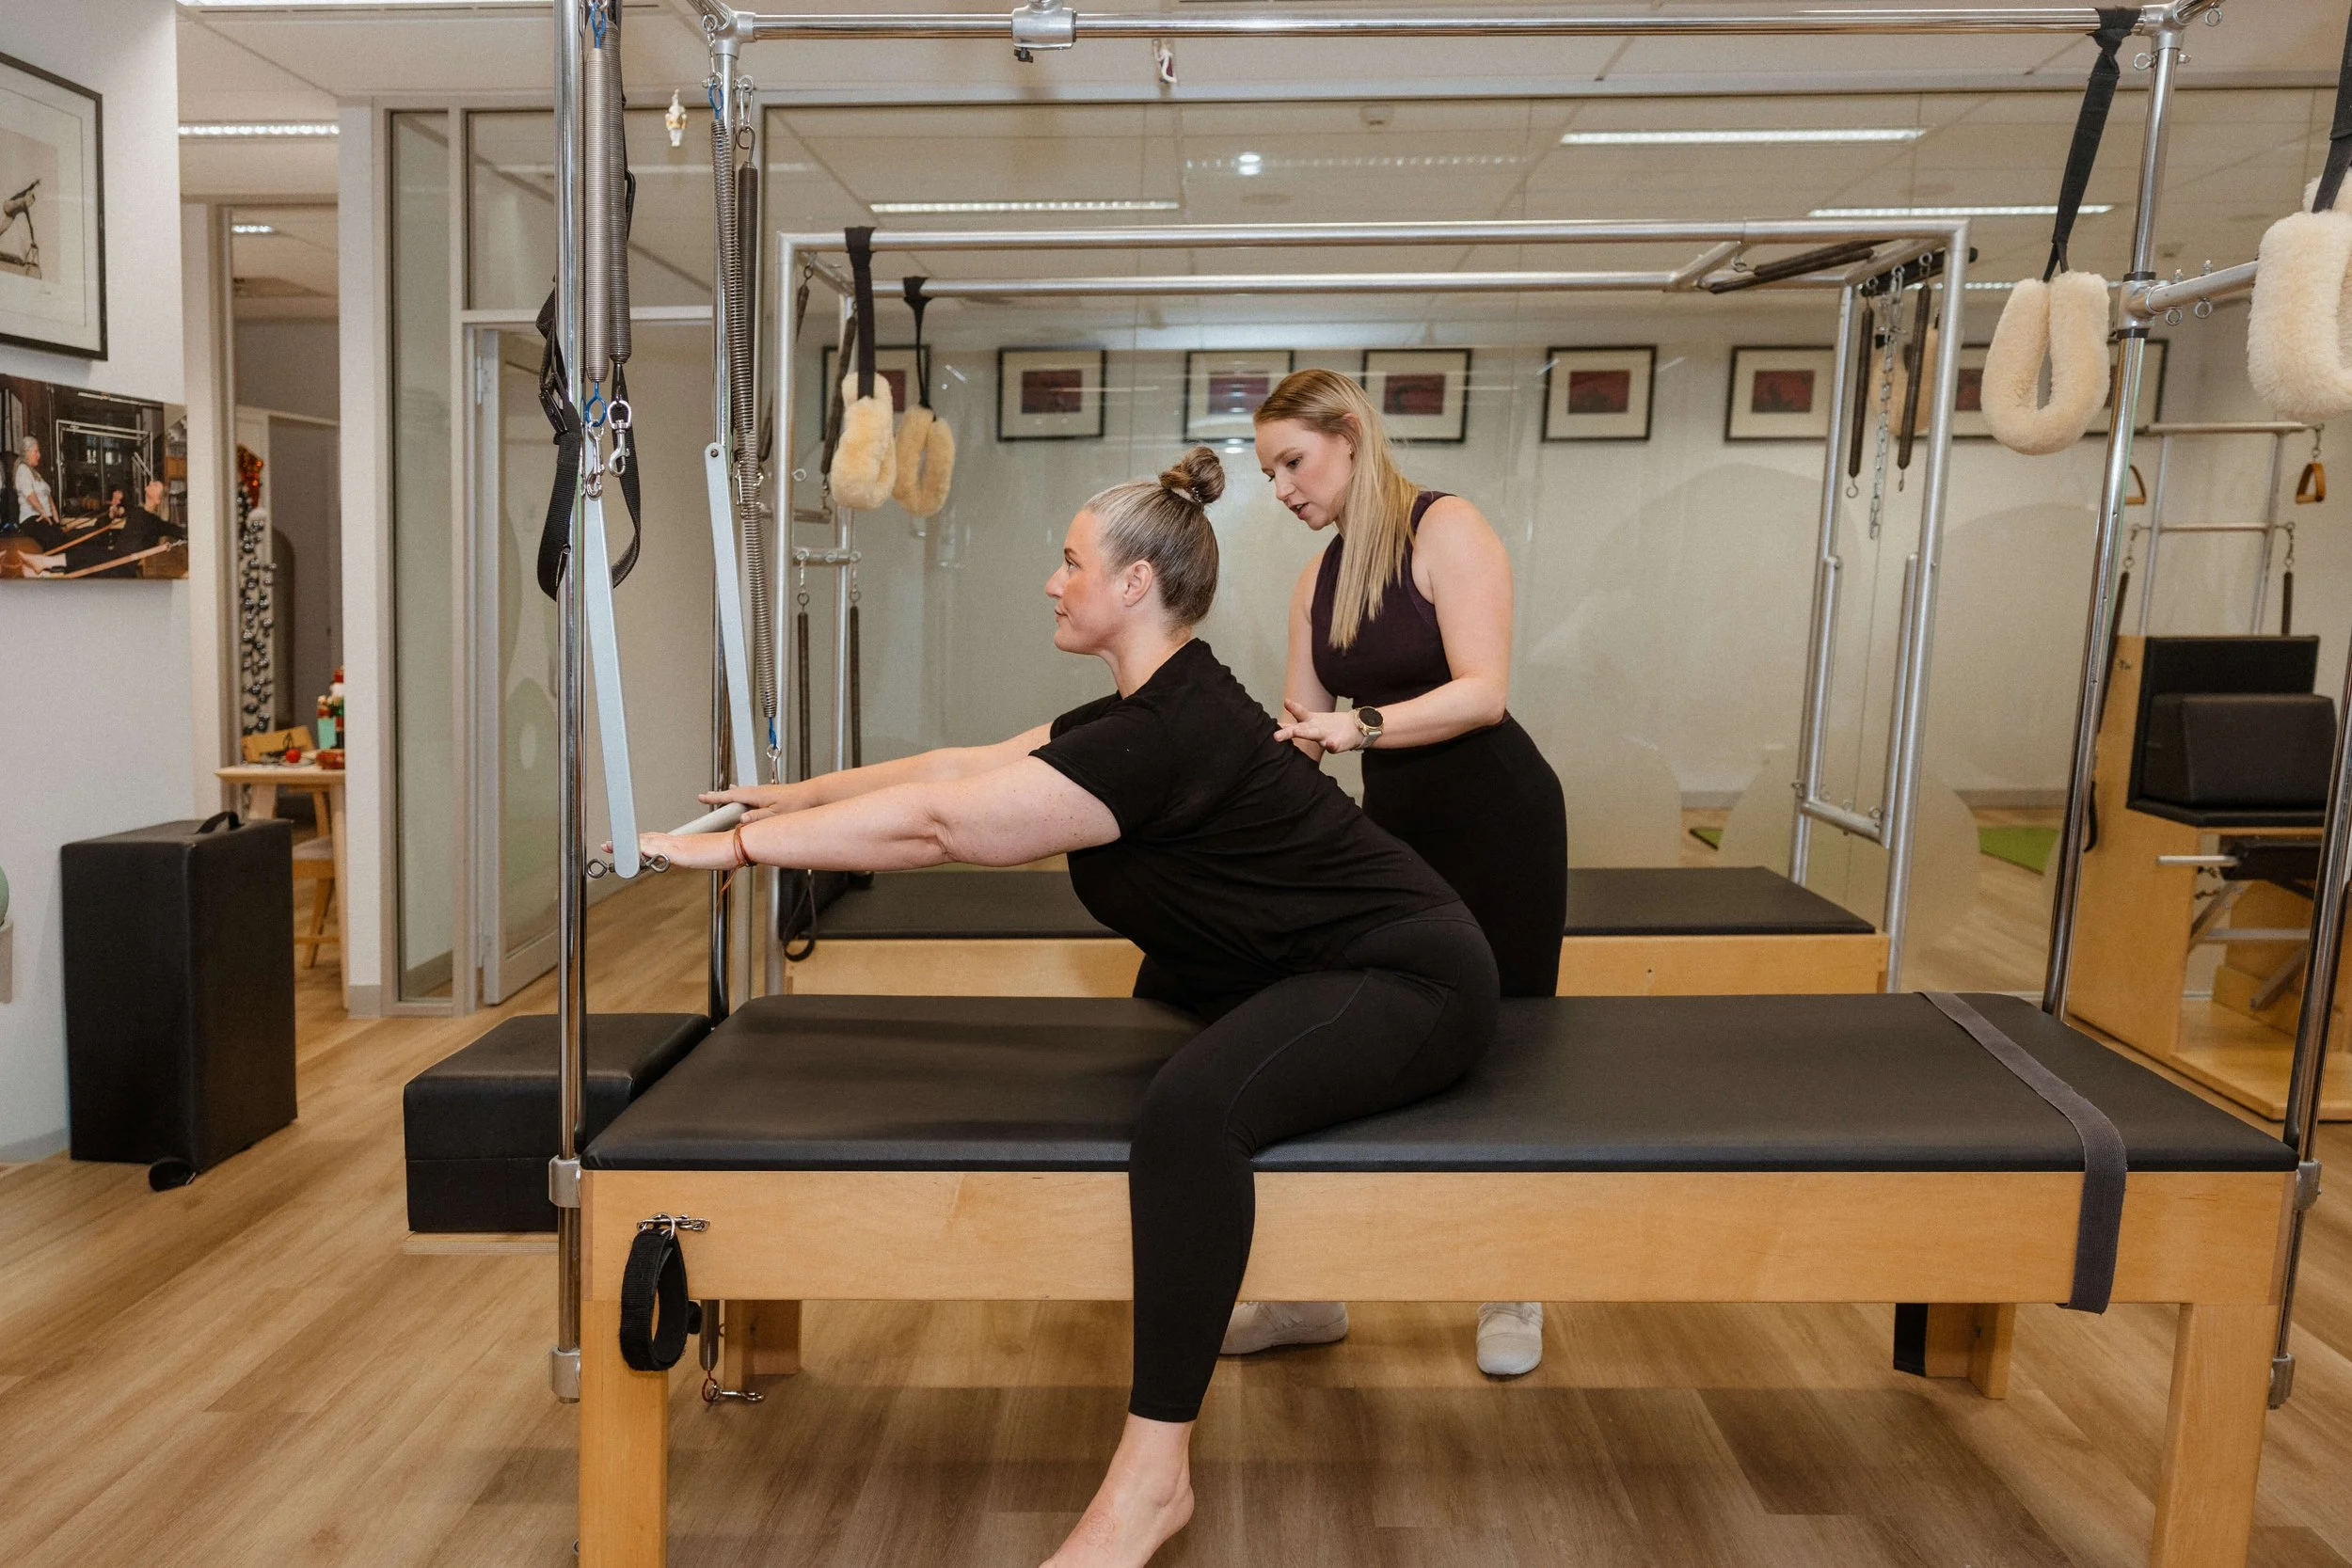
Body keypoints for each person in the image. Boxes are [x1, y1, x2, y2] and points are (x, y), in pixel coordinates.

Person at [646, 446, 1499, 1568]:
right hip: (1289, 965)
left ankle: (1153, 1480)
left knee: (1189, 1115)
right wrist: (790, 795)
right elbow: (966, 767)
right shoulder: (1153, 704)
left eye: (1068, 562)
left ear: (1135, 584)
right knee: (1160, 1016)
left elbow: (947, 829)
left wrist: (746, 852)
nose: (1052, 583)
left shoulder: (1164, 730)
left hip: (1412, 979)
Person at [1223, 366, 1569, 1379]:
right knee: (1342, 1041)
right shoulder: (1315, 580)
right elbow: (1300, 730)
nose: (1282, 489)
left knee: (1507, 1047)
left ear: (1350, 435)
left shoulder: (1447, 528)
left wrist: (1355, 723)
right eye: (1270, 473)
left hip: (1500, 812)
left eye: (1293, 461)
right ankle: (1307, 1288)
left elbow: (1482, 693)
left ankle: (1512, 1284)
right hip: (1396, 828)